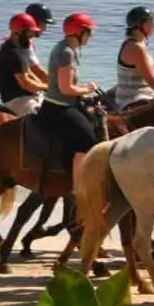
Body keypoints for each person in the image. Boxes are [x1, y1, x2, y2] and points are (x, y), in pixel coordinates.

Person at [41, 12, 101, 183]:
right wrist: (87, 89)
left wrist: (84, 92)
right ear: (79, 32)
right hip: (58, 107)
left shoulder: (67, 48)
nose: (91, 36)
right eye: (89, 32)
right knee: (88, 140)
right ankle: (78, 185)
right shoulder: (67, 52)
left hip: (63, 103)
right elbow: (65, 88)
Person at [115, 6, 154, 110]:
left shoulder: (134, 43)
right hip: (134, 101)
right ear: (141, 25)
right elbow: (152, 80)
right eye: (151, 22)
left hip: (143, 97)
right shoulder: (136, 47)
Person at [0, 13, 48, 116]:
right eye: (30, 33)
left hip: (29, 96)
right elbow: (26, 84)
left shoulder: (19, 49)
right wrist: (48, 87)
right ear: (20, 32)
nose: (32, 36)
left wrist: (49, 87)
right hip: (18, 100)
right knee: (43, 121)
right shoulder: (13, 53)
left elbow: (29, 74)